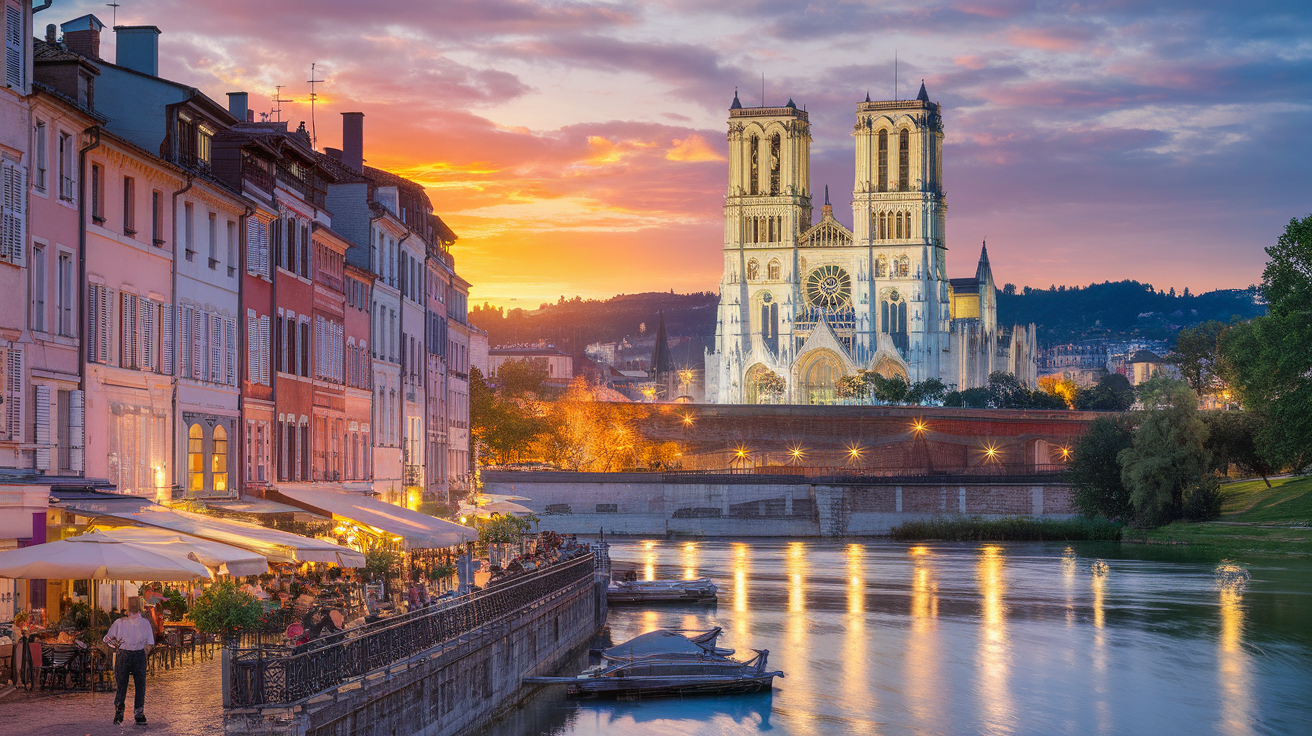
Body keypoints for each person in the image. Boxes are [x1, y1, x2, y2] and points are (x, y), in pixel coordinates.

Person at [103, 596, 154, 725]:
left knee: (121, 685)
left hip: (123, 654)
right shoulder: (145, 623)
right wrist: (144, 654)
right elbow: (150, 644)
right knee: (140, 685)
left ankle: (119, 713)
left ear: (128, 608)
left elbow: (107, 639)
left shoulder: (119, 623)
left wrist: (116, 645)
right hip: (138, 654)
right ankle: (139, 713)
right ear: (139, 607)